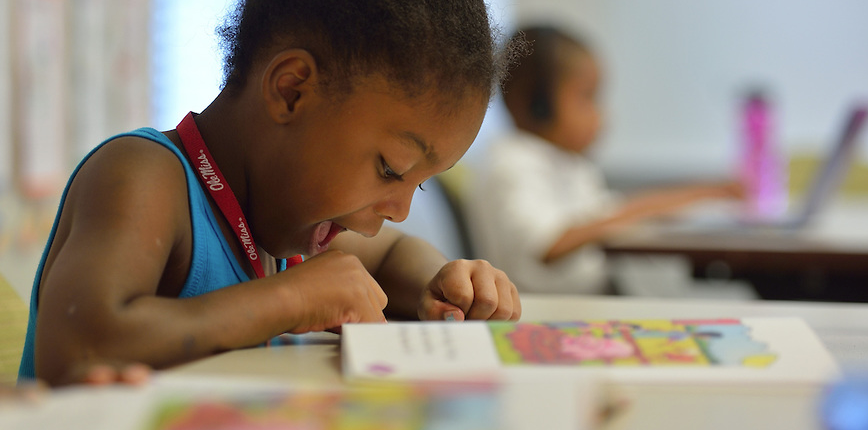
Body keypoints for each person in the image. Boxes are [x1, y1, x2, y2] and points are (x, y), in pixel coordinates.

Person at [19, 0, 523, 386]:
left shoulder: (285, 222)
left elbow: (392, 254)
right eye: (391, 168)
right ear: (291, 91)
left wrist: (442, 286)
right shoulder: (144, 177)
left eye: (421, 183)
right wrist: (291, 299)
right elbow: (78, 347)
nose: (400, 210)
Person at [467, 26, 741, 294]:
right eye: (588, 97)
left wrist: (707, 193)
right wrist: (634, 215)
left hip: (586, 297)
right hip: (545, 310)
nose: (601, 114)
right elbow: (548, 245)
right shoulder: (512, 162)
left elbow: (610, 213)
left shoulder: (565, 162)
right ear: (538, 104)